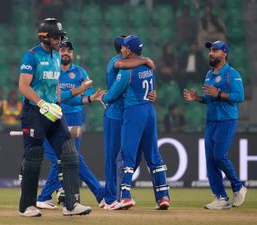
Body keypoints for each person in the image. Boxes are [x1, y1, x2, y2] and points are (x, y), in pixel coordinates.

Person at [18, 18, 91, 217]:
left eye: (60, 37)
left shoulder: (56, 57)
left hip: (53, 111)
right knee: (33, 157)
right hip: (34, 112)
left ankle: (71, 204)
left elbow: (56, 83)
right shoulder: (31, 57)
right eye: (56, 37)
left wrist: (56, 103)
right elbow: (23, 86)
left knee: (69, 153)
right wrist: (42, 103)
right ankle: (27, 206)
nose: (60, 41)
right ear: (45, 37)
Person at [100, 35, 170, 210]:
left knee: (127, 156)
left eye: (124, 47)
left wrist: (102, 97)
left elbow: (112, 94)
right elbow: (149, 87)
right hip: (149, 112)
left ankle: (124, 197)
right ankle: (163, 197)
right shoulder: (148, 66)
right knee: (153, 155)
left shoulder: (126, 71)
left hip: (132, 113)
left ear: (129, 50)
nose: (122, 50)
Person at [36, 41, 104, 209]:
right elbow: (55, 96)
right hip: (54, 117)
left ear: (72, 53)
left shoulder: (80, 72)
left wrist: (87, 97)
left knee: (68, 159)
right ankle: (100, 195)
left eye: (68, 50)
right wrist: (78, 92)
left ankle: (46, 196)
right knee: (69, 159)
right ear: (57, 52)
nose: (65, 53)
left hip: (75, 118)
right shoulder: (51, 71)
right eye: (62, 50)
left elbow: (83, 96)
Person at [183, 40, 247, 209]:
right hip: (211, 122)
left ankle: (238, 186)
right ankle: (221, 198)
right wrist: (197, 98)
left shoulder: (231, 74)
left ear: (224, 53)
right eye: (210, 50)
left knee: (219, 156)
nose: (211, 53)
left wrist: (218, 93)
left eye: (215, 50)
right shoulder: (209, 74)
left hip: (227, 121)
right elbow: (210, 99)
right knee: (211, 161)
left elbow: (239, 96)